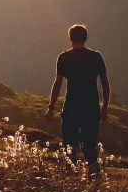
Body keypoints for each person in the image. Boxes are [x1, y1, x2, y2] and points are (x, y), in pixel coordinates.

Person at [45, 24, 111, 173]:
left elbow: (58, 83)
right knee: (89, 145)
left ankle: (70, 179)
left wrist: (50, 108)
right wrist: (104, 108)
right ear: (85, 38)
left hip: (71, 108)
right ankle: (94, 180)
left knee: (69, 146)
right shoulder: (96, 56)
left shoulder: (64, 57)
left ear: (70, 39)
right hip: (91, 107)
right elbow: (105, 84)